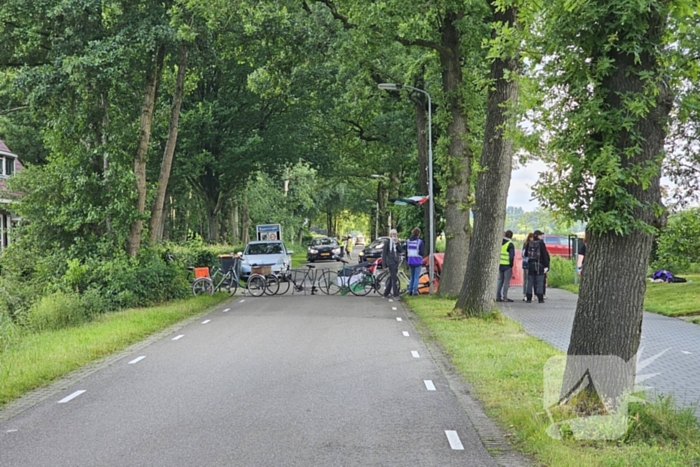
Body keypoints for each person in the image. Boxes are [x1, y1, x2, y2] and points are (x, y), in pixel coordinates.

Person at [524, 230, 550, 303]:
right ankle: (540, 298)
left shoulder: (529, 243)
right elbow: (545, 255)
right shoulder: (541, 244)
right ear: (537, 236)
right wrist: (546, 266)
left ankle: (528, 297)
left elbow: (526, 254)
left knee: (530, 281)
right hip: (540, 265)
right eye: (540, 235)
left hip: (531, 264)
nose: (541, 236)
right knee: (539, 282)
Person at [382, 229, 403, 299]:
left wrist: (397, 243)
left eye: (395, 234)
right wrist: (384, 264)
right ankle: (395, 294)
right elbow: (384, 254)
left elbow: (400, 251)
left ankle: (386, 293)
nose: (394, 236)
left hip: (396, 262)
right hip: (391, 262)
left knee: (392, 278)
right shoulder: (387, 242)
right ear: (390, 235)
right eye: (393, 234)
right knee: (394, 278)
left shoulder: (397, 243)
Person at [496, 230, 515, 302]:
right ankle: (505, 297)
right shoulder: (510, 244)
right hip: (507, 265)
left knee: (500, 281)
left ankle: (498, 296)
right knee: (506, 282)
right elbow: (511, 256)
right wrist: (511, 264)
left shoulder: (500, 243)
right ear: (511, 236)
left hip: (500, 264)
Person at [406, 227, 425, 296]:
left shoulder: (408, 241)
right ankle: (415, 291)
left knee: (412, 277)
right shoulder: (420, 242)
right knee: (416, 277)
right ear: (419, 234)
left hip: (410, 261)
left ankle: (409, 291)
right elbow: (422, 253)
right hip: (417, 261)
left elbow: (406, 252)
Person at [522, 232, 533, 301]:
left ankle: (526, 294)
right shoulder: (527, 245)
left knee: (527, 280)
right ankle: (526, 294)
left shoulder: (525, 244)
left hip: (526, 263)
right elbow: (524, 254)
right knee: (527, 280)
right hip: (528, 263)